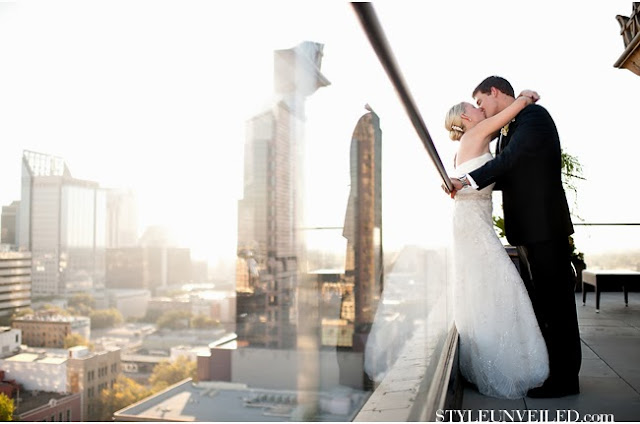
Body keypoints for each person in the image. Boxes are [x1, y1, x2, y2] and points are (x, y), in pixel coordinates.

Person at [449, 76, 581, 398]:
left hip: (545, 227)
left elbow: (510, 162)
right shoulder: (507, 130)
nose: (482, 109)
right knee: (545, 303)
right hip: (527, 229)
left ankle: (565, 379)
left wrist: (466, 181)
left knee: (558, 303)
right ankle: (549, 369)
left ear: (495, 93)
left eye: (481, 102)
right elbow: (506, 174)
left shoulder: (533, 117)